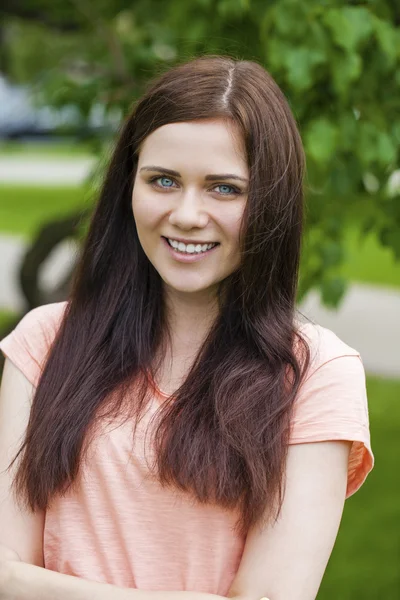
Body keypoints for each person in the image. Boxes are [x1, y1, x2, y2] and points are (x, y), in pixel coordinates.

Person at [0, 55, 373, 600]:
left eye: (224, 188)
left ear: (271, 202)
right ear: (130, 186)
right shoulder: (45, 341)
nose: (187, 215)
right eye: (164, 181)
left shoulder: (318, 374)